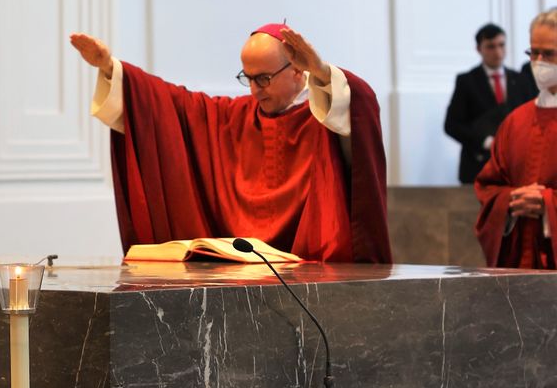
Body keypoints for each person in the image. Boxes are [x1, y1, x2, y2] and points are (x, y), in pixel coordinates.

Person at [70, 24, 391, 263]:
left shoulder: (323, 115)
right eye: (247, 78)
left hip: (309, 267)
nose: (254, 90)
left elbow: (357, 109)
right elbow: (173, 107)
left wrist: (322, 71)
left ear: (297, 71)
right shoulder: (233, 117)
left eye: (263, 78)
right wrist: (111, 68)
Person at [474, 10, 557, 268]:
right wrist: (510, 201)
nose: (538, 61)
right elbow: (489, 185)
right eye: (533, 52)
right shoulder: (515, 121)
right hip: (519, 263)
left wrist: (548, 204)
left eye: (549, 54)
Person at [443, 23, 536, 185]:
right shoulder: (467, 81)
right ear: (479, 49)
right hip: (477, 166)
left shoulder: (520, 79)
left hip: (514, 167)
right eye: (491, 46)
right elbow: (452, 125)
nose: (498, 52)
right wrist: (485, 141)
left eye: (501, 45)